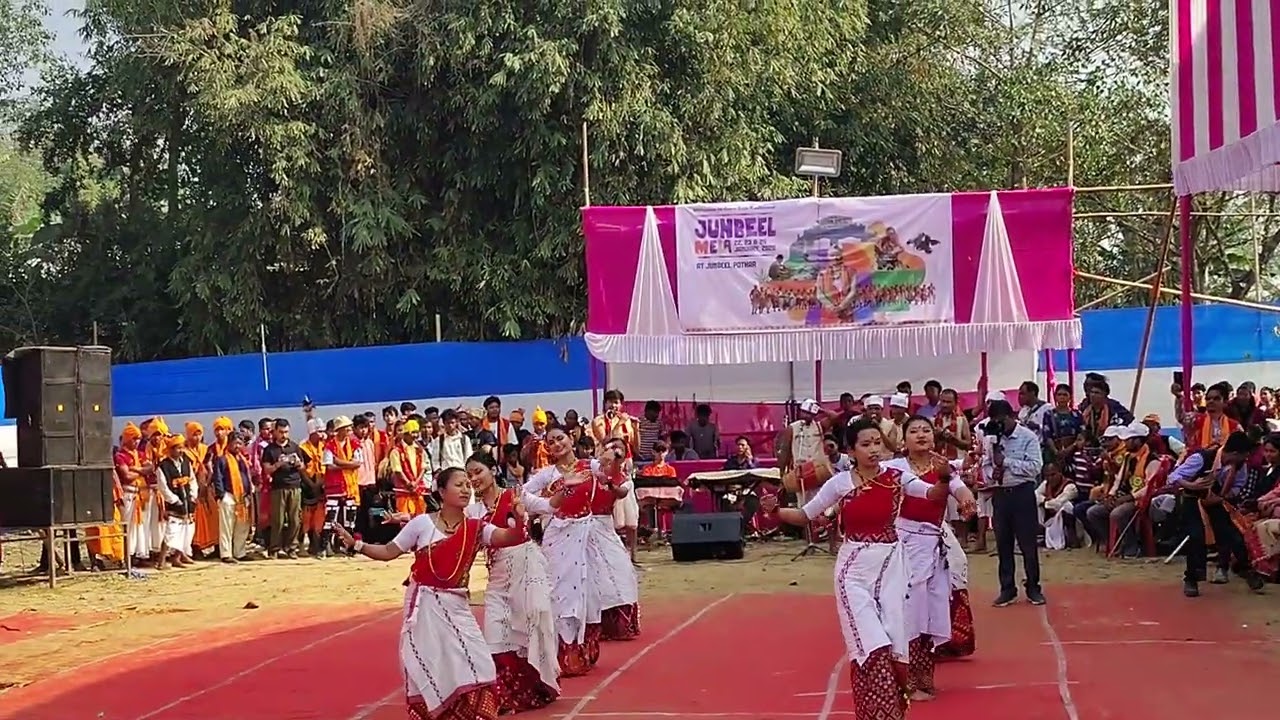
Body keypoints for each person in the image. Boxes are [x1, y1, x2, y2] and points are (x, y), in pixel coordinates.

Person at [760, 419, 971, 719]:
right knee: (872, 646)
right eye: (865, 444)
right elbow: (806, 515)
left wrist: (944, 479)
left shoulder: (898, 477)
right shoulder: (839, 483)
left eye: (877, 443)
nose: (874, 450)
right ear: (851, 451)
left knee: (895, 645)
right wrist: (775, 511)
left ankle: (888, 712)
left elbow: (932, 496)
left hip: (892, 570)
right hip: (855, 573)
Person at [330, 468, 542, 720]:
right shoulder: (421, 524)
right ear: (441, 491)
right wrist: (356, 544)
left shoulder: (476, 527)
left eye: (467, 485)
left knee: (481, 664)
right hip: (424, 605)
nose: (466, 489)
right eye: (459, 484)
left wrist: (519, 519)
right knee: (431, 663)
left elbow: (511, 537)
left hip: (458, 605)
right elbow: (388, 551)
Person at [523, 427, 641, 677]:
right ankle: (559, 654)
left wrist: (615, 460)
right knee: (559, 593)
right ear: (547, 448)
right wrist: (548, 505)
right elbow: (523, 496)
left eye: (560, 438)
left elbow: (618, 482)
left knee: (587, 593)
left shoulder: (590, 465)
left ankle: (580, 651)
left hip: (587, 536)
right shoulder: (547, 475)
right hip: (559, 537)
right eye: (551, 441)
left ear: (571, 439)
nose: (557, 444)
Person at [883, 416, 977, 701]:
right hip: (904, 543)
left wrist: (967, 501)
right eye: (914, 431)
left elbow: (960, 489)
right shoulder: (895, 468)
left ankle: (924, 679)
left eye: (926, 430)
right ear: (904, 439)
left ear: (934, 437)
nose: (921, 435)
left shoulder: (943, 466)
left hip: (934, 545)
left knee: (930, 611)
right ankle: (904, 678)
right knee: (907, 612)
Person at [464, 452, 563, 714]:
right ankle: (505, 695)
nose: (474, 479)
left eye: (478, 472)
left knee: (529, 627)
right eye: (469, 475)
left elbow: (550, 506)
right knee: (496, 633)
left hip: (527, 568)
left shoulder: (515, 495)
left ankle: (532, 688)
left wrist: (566, 487)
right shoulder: (472, 511)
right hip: (497, 576)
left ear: (493, 470)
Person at [1160, 430, 1266, 596]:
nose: (1245, 460)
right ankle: (1192, 578)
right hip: (1191, 497)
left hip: (1216, 498)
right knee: (1196, 535)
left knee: (1232, 534)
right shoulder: (1201, 458)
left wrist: (1222, 497)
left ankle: (1245, 570)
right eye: (1244, 456)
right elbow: (1173, 477)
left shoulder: (1240, 467)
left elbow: (1238, 487)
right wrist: (1193, 485)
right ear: (1235, 453)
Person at [982, 400, 1046, 607]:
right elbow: (985, 467)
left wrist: (1006, 462)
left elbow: (1035, 468)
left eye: (1002, 421)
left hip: (1022, 492)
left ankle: (1034, 588)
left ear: (1012, 417)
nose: (999, 425)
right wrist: (993, 473)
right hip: (1001, 494)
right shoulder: (990, 438)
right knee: (1003, 544)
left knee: (1028, 544)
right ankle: (1007, 589)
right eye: (995, 421)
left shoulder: (1027, 437)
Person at [260, 418, 305, 559]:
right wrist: (278, 464)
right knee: (277, 520)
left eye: (286, 432)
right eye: (281, 432)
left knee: (295, 519)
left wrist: (298, 463)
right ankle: (274, 548)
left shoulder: (294, 446)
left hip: (295, 486)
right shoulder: (270, 449)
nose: (284, 435)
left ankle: (292, 548)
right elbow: (267, 470)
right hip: (278, 487)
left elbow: (303, 467)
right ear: (275, 432)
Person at [210, 432, 253, 562]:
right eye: (235, 443)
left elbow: (246, 476)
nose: (238, 446)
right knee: (226, 526)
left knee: (242, 526)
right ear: (229, 444)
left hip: (242, 497)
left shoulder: (242, 459)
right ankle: (226, 554)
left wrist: (249, 493)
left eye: (240, 444)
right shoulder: (222, 459)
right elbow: (217, 478)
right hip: (228, 496)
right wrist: (221, 495)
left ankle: (240, 552)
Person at [157, 433, 198, 567]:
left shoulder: (186, 463)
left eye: (182, 448)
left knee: (186, 532)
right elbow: (163, 487)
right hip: (175, 504)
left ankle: (177, 558)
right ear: (171, 449)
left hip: (188, 502)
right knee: (171, 532)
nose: (180, 451)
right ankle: (161, 561)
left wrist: (193, 496)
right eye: (177, 448)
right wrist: (175, 501)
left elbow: (192, 481)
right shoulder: (163, 466)